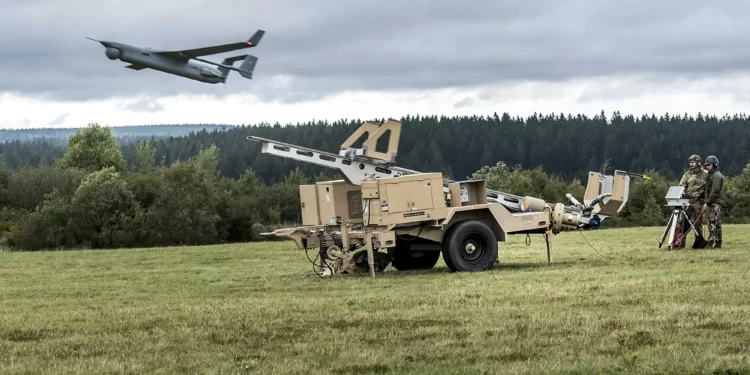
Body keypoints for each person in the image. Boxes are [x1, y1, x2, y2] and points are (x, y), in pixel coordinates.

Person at [678, 154, 708, 247]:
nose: (691, 164)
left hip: (699, 201)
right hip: (688, 201)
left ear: (698, 162)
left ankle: (699, 242)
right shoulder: (687, 174)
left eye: (693, 162)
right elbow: (681, 186)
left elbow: (709, 187)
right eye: (690, 162)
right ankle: (681, 243)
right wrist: (682, 195)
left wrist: (706, 200)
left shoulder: (705, 174)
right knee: (683, 222)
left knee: (697, 223)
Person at [703, 155, 725, 249]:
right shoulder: (712, 175)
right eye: (707, 165)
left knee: (712, 221)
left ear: (714, 165)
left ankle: (710, 242)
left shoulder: (717, 176)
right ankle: (718, 242)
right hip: (714, 202)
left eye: (709, 165)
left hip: (715, 202)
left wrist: (707, 202)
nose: (707, 167)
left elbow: (715, 191)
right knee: (717, 223)